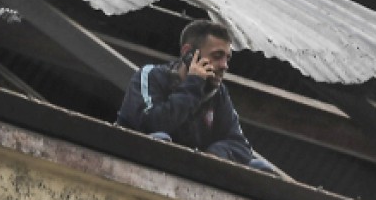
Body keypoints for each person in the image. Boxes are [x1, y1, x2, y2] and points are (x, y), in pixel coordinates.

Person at [116, 21, 279, 174]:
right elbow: (152, 124)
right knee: (160, 139)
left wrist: (214, 155)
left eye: (227, 58)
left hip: (193, 173)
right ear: (188, 53)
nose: (224, 65)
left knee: (261, 168)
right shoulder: (150, 75)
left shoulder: (218, 93)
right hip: (134, 167)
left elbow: (240, 145)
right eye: (217, 56)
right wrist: (193, 84)